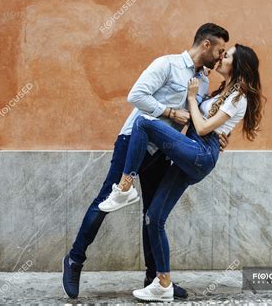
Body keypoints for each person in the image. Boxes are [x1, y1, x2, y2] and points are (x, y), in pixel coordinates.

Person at [62, 23, 231, 299]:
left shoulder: (202, 82)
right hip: (133, 142)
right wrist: (169, 112)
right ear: (206, 45)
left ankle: (156, 279)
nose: (221, 57)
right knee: (106, 200)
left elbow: (196, 120)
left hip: (163, 152)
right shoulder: (167, 65)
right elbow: (136, 96)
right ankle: (74, 260)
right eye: (220, 50)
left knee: (152, 214)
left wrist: (215, 136)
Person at [99, 44, 266, 302]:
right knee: (154, 217)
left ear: (239, 65)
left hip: (199, 153)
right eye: (223, 53)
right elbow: (211, 127)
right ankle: (163, 284)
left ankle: (125, 186)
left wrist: (190, 98)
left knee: (143, 122)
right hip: (193, 151)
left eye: (228, 55)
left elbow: (201, 128)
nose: (221, 57)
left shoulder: (238, 97)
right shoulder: (223, 92)